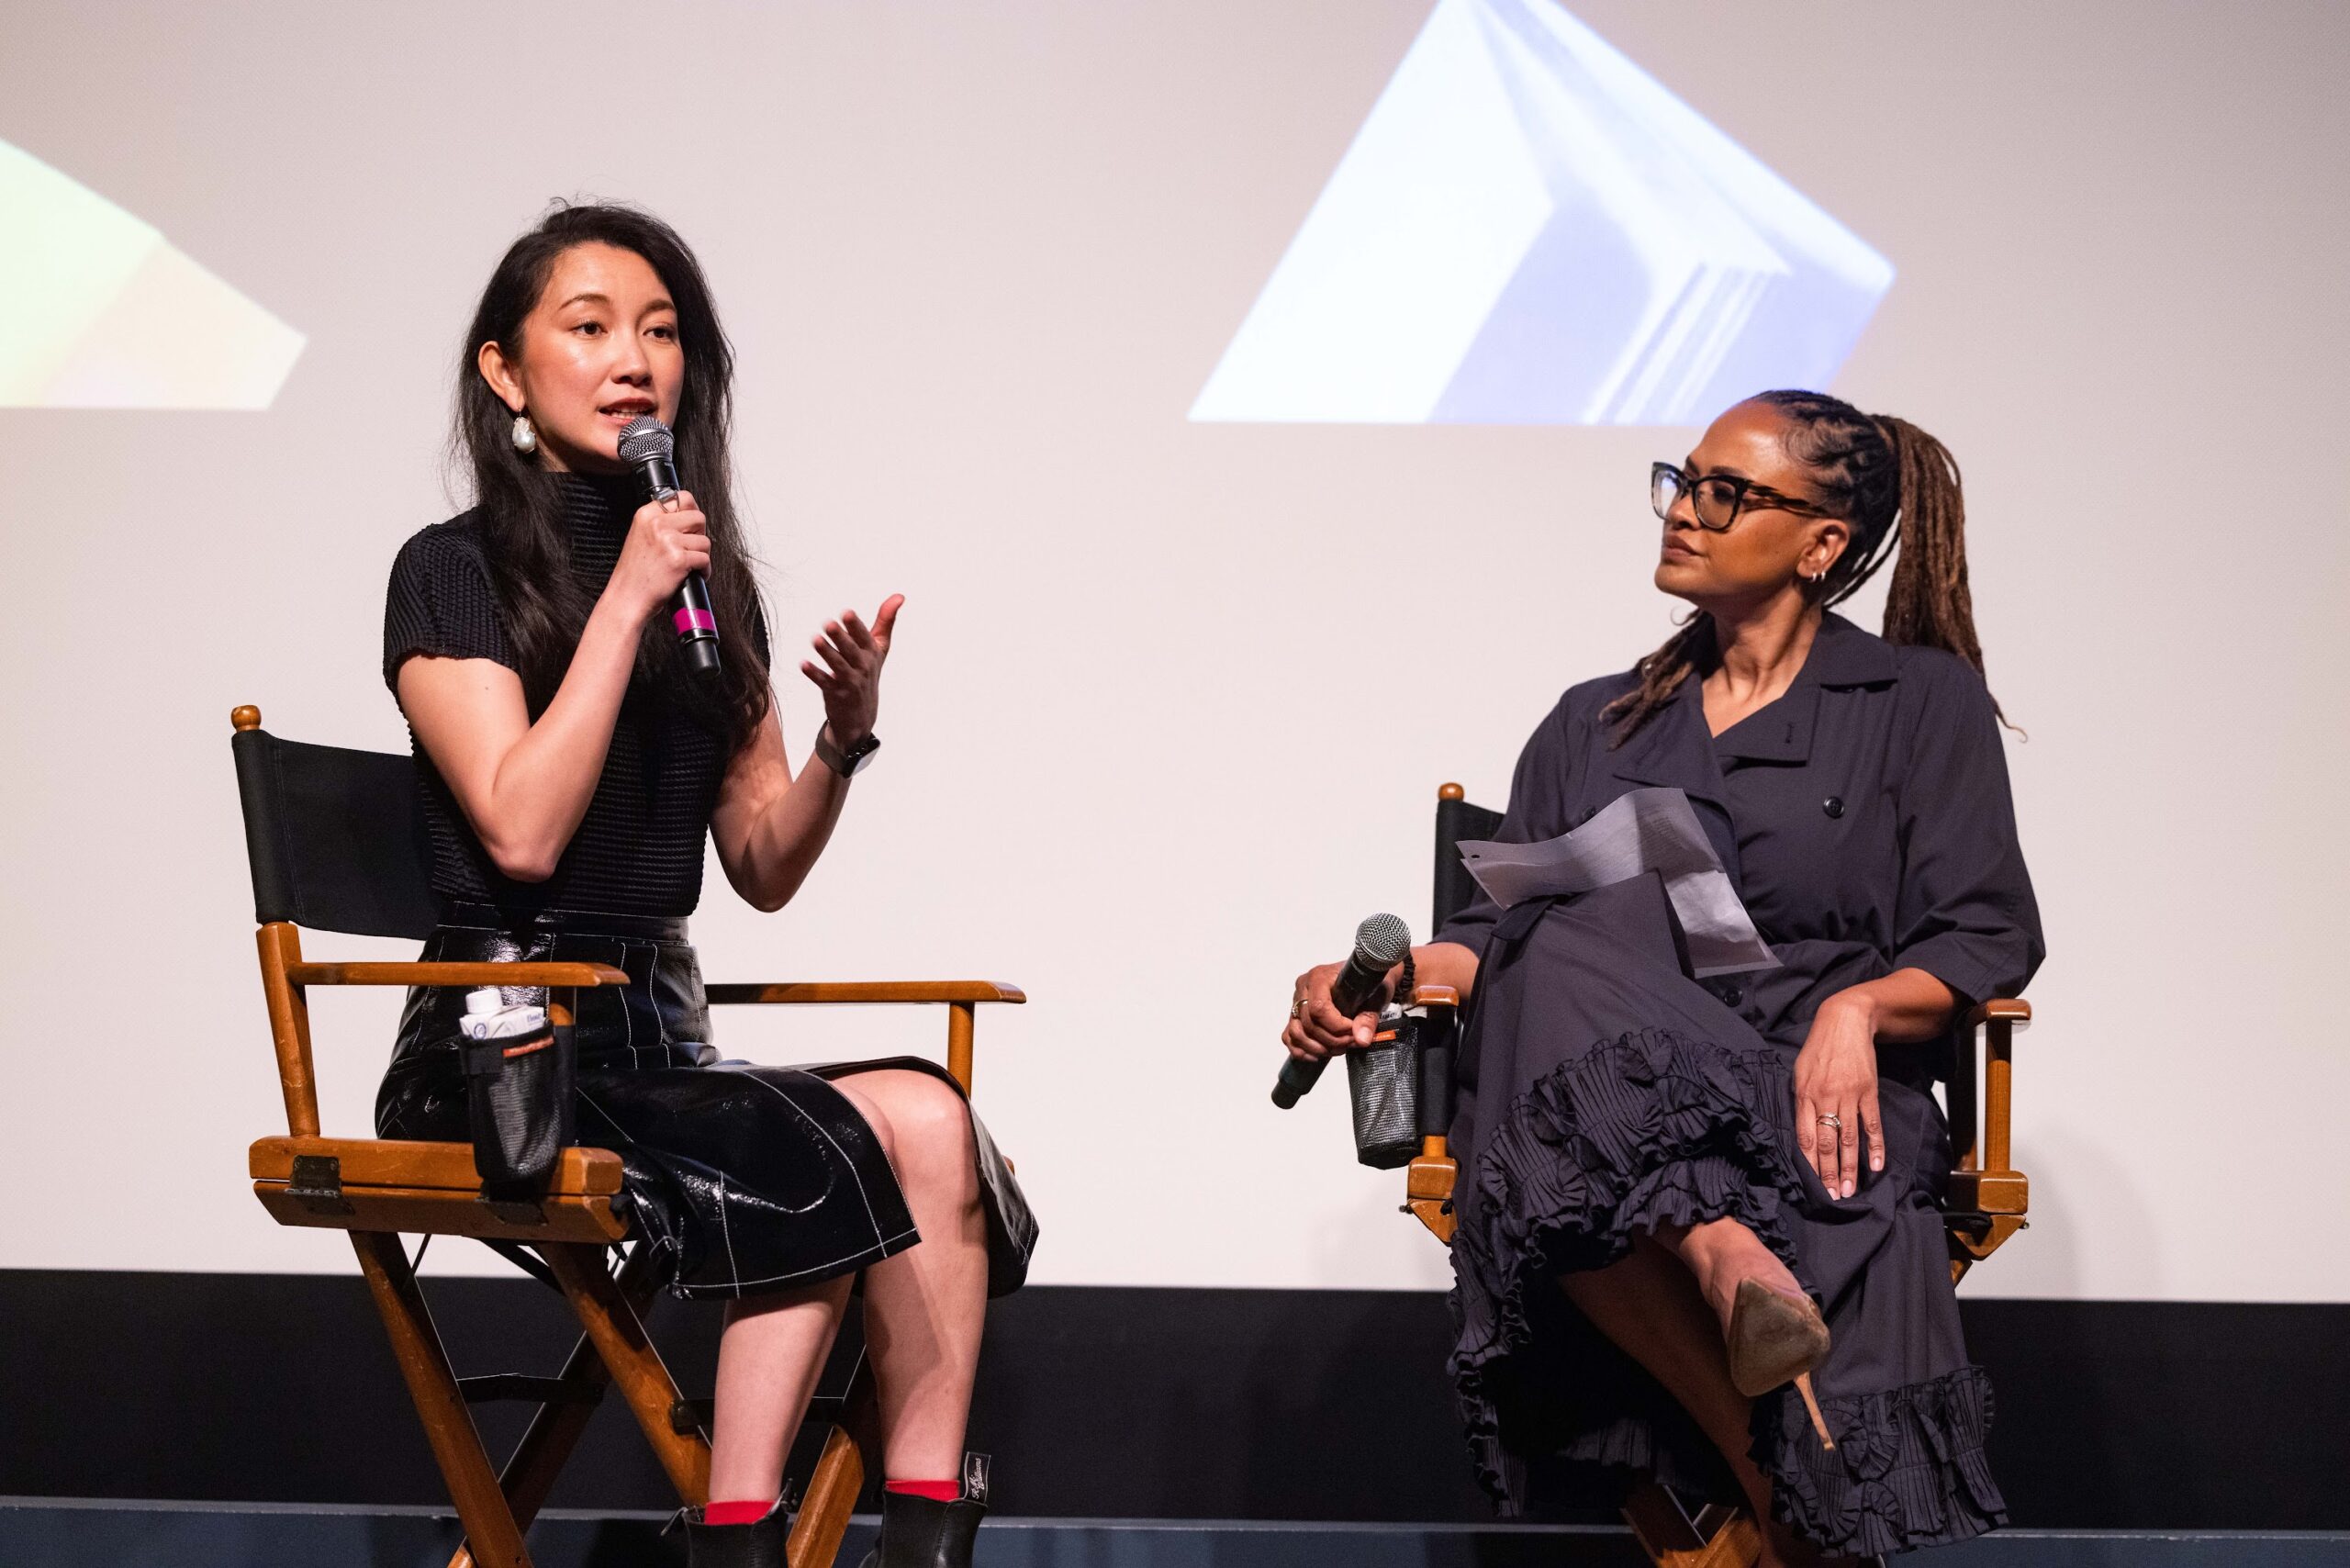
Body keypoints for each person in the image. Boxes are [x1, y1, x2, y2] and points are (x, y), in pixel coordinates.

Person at [375, 202, 1035, 1568]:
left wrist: (845, 742)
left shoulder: (702, 586)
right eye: (592, 326)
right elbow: (519, 833)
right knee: (818, 1145)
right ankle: (735, 1539)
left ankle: (919, 1542)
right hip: (506, 1052)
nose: (634, 359)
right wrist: (619, 601)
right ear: (505, 372)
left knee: (926, 1113)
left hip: (659, 1041)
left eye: (662, 333)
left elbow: (761, 865)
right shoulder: (449, 575)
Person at [1282, 392, 2041, 1565]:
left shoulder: (1914, 705)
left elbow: (1982, 934)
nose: (1683, 510)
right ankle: (1721, 1263)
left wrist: (1856, 1007)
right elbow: (1489, 937)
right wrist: (1372, 977)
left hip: (1812, 1101)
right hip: (1612, 1104)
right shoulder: (1593, 723)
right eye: (1679, 481)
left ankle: (1748, 1392)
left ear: (1820, 543)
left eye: (1724, 492)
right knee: (1545, 973)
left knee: (1559, 1108)